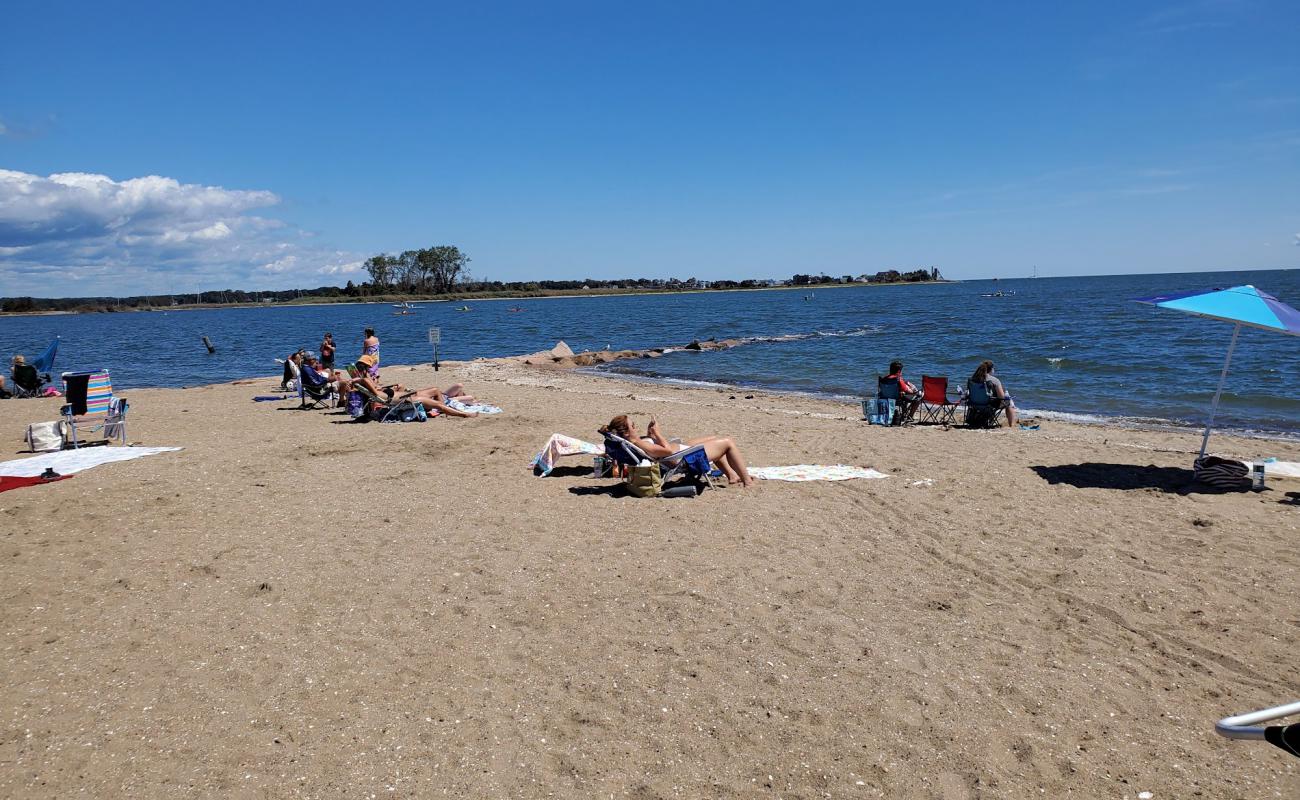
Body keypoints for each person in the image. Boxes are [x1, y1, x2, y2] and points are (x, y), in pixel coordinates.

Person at [599, 414, 754, 487]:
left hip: (679, 451)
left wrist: (649, 434)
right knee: (727, 442)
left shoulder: (633, 442)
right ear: (626, 432)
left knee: (713, 438)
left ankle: (732, 476)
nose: (636, 427)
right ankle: (747, 481)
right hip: (683, 458)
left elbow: (654, 450)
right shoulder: (639, 443)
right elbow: (666, 451)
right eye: (633, 426)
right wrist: (657, 433)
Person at [970, 360, 1017, 427]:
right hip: (989, 405)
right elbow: (1001, 397)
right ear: (991, 369)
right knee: (1009, 402)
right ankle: (1011, 425)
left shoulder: (973, 379)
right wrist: (1007, 397)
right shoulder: (994, 380)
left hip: (974, 404)